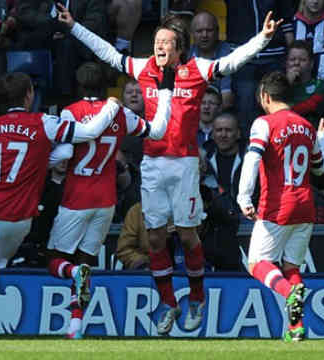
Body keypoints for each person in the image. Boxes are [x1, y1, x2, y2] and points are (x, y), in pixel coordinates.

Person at [57, 4, 284, 335]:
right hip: (151, 163)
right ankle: (168, 302)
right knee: (155, 237)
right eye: (156, 41)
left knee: (189, 235)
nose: (159, 47)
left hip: (185, 165)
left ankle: (196, 298)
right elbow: (108, 54)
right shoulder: (144, 67)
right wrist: (74, 26)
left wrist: (262, 39)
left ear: (179, 48)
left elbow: (232, 62)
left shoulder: (196, 71)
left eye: (165, 42)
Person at [0, 72, 123, 339]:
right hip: (18, 216)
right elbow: (88, 133)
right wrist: (112, 107)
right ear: (29, 95)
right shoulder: (44, 123)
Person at [45, 62, 174, 339]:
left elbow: (66, 151)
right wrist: (165, 94)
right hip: (106, 200)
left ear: (79, 85)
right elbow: (157, 130)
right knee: (86, 261)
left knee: (58, 261)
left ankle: (73, 277)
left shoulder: (72, 112)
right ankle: (75, 327)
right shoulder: (122, 114)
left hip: (76, 197)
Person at [237, 71, 324, 342]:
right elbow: (320, 167)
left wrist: (244, 197)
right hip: (305, 207)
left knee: (257, 264)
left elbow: (252, 160)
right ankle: (296, 328)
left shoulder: (264, 123)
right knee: (291, 268)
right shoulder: (306, 126)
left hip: (278, 206)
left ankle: (289, 293)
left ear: (265, 96)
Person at [223, 0, 295, 135]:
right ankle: (248, 148)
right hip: (243, 58)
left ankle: (278, 143)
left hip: (274, 56)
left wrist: (291, 52)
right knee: (245, 107)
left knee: (276, 105)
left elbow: (286, 20)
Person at [202, 112, 249, 271]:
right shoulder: (203, 157)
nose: (223, 134)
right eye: (219, 130)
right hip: (211, 225)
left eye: (228, 130)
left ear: (238, 134)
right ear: (212, 134)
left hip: (245, 222)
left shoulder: (251, 158)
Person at [189, 11, 234, 109]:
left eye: (209, 30)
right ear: (192, 34)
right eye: (199, 31)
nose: (204, 35)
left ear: (217, 32)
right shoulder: (187, 54)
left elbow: (227, 98)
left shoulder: (227, 52)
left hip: (217, 111)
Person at [286, 40, 324, 127]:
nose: (296, 63)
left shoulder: (322, 86)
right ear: (286, 63)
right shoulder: (278, 86)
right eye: (292, 59)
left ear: (311, 64)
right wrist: (286, 83)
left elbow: (308, 107)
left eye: (302, 60)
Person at [197, 87, 222, 151]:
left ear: (219, 108)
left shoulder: (224, 133)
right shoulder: (188, 132)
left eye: (211, 103)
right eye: (203, 102)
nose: (206, 106)